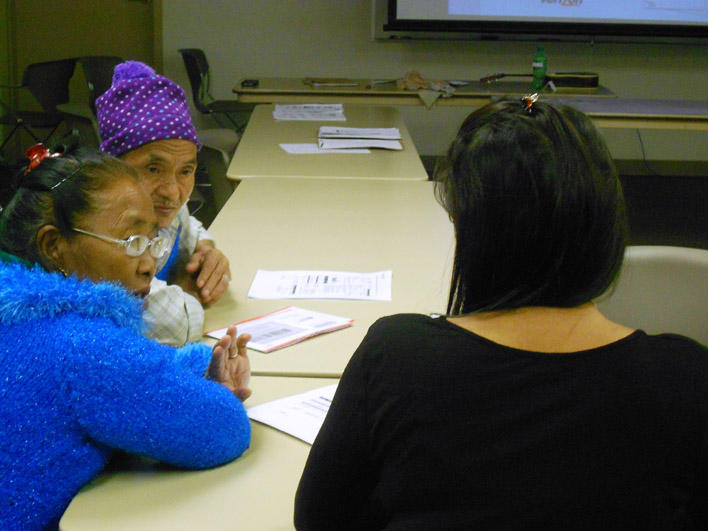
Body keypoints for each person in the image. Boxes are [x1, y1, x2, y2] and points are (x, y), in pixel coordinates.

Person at [294, 98, 708, 530]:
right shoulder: (686, 376)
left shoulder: (398, 355)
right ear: (606, 220)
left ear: (473, 231)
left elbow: (320, 519)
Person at [0, 145, 252, 530]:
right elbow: (223, 430)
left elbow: (143, 367)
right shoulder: (84, 346)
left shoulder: (25, 314)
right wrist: (221, 394)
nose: (150, 263)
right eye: (132, 241)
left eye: (154, 240)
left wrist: (202, 363)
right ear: (55, 246)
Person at [95, 60, 230, 346]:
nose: (172, 192)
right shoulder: (107, 235)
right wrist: (188, 292)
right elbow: (172, 325)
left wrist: (206, 252)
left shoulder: (161, 208)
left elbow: (187, 222)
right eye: (153, 169)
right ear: (113, 166)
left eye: (186, 171)